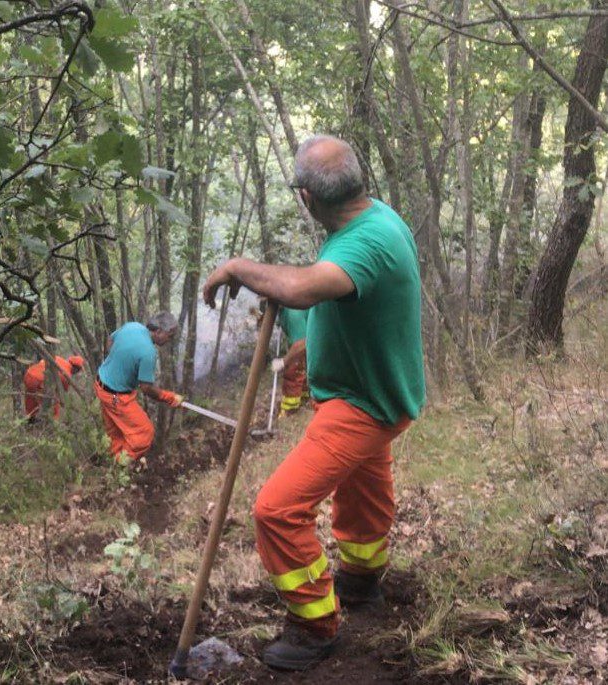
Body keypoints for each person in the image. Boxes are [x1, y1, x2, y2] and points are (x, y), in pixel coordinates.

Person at [202, 134, 425, 671]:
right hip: (376, 392)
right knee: (363, 495)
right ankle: (362, 580)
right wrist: (274, 283)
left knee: (276, 512)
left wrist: (238, 267)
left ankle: (314, 624)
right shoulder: (371, 218)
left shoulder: (364, 242)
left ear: (306, 198)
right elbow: (310, 284)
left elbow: (305, 288)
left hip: (362, 403)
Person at [95, 312, 184, 463]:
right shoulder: (149, 352)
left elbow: (110, 340)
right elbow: (146, 388)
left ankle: (111, 465)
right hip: (116, 397)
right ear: (158, 331)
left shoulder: (132, 326)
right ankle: (118, 464)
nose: (169, 340)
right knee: (144, 433)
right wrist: (170, 397)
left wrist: (117, 363)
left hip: (100, 384)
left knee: (115, 433)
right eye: (169, 336)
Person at [271, 306, 312, 415]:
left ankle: (290, 409)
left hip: (308, 342)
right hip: (308, 339)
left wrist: (283, 362)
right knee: (304, 368)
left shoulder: (293, 314)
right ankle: (305, 398)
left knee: (293, 369)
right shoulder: (283, 308)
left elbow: (302, 343)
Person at [23, 355, 85, 421]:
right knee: (54, 402)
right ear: (76, 369)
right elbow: (62, 393)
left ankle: (30, 418)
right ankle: (52, 422)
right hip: (38, 381)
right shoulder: (67, 375)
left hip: (29, 374)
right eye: (78, 370)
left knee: (31, 397)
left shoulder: (57, 357)